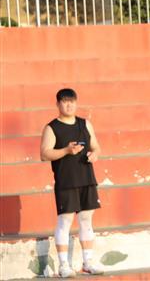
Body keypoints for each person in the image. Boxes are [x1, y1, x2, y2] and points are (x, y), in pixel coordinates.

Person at [39, 88, 103, 277]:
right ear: (58, 104)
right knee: (65, 221)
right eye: (65, 102)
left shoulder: (85, 124)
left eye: (72, 101)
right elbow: (44, 154)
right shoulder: (52, 128)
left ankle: (88, 262)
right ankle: (63, 265)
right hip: (66, 181)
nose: (69, 105)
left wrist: (94, 154)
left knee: (86, 220)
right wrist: (66, 151)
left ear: (76, 103)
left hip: (87, 179)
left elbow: (96, 147)